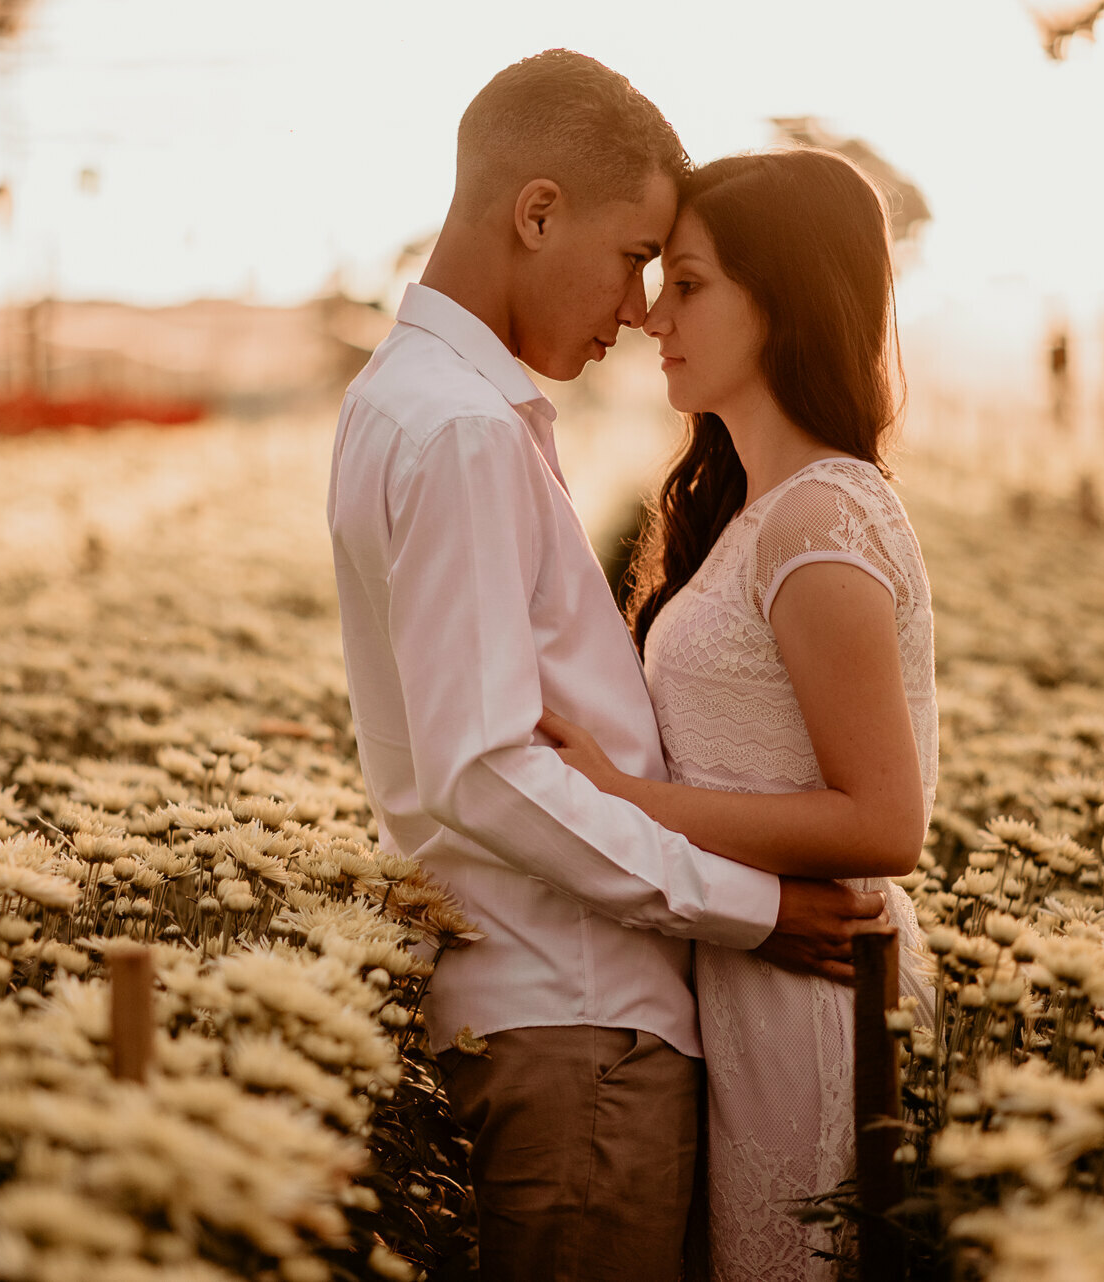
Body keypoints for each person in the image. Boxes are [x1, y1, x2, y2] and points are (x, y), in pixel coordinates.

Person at [324, 50, 891, 1282]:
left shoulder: (404, 403)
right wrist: (752, 910)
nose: (640, 307)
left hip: (556, 1009)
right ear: (537, 213)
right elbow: (483, 771)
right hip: (579, 1025)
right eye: (638, 256)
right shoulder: (466, 431)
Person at [539, 148, 938, 1281]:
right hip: (754, 980)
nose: (656, 314)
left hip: (816, 1002)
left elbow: (884, 823)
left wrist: (625, 801)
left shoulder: (819, 525)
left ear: (787, 296)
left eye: (694, 282)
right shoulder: (763, 509)